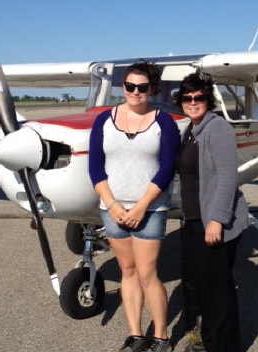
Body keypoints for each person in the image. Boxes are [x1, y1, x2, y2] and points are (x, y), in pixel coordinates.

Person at [89, 62, 180, 352]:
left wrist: (141, 206)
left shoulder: (164, 122)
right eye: (130, 86)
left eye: (142, 87)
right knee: (127, 271)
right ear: (123, 87)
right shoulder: (103, 120)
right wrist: (111, 204)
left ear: (152, 89)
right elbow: (95, 168)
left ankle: (161, 338)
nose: (136, 92)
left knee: (146, 273)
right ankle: (135, 335)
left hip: (150, 210)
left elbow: (166, 169)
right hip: (112, 209)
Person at [175, 73, 249, 352]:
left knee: (218, 291)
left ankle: (221, 346)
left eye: (199, 97)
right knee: (205, 287)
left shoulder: (217, 128)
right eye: (187, 98)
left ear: (208, 100)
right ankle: (211, 341)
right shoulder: (190, 131)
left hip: (214, 221)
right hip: (195, 220)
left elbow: (228, 177)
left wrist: (217, 220)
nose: (193, 102)